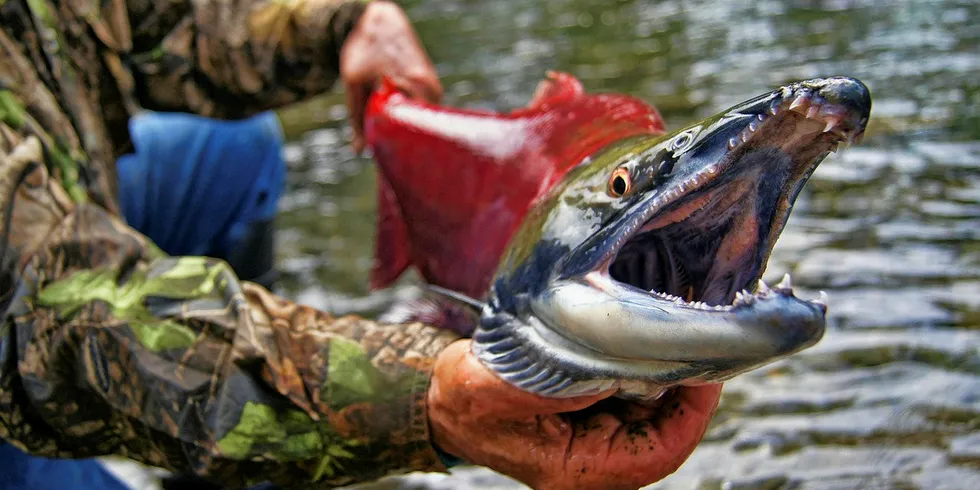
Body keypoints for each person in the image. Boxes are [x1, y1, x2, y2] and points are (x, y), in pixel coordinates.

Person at [0, 2, 724, 490]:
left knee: (235, 154)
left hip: (56, 190)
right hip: (20, 318)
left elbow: (148, 19)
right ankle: (227, 439)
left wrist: (343, 22)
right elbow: (42, 310)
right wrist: (421, 398)